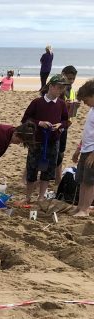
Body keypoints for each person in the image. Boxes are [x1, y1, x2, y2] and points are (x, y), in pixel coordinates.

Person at [22, 73, 70, 203]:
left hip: (53, 141)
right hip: (36, 141)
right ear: (51, 86)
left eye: (63, 88)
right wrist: (39, 123)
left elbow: (66, 120)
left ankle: (41, 196)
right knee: (32, 169)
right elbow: (25, 119)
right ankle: (28, 197)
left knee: (47, 171)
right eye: (59, 87)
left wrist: (60, 125)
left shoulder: (61, 104)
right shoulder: (37, 102)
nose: (61, 91)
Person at [71, 79, 94, 216]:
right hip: (85, 149)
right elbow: (87, 132)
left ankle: (85, 209)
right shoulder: (91, 110)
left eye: (86, 100)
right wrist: (78, 150)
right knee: (81, 180)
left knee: (90, 181)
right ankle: (80, 207)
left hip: (92, 152)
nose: (84, 103)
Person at [56, 65, 80, 181]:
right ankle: (26, 177)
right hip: (54, 123)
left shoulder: (72, 91)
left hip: (65, 124)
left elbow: (71, 113)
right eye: (69, 78)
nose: (71, 81)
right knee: (42, 150)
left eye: (73, 79)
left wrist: (74, 107)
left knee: (60, 152)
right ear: (63, 74)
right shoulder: (56, 87)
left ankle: (57, 177)